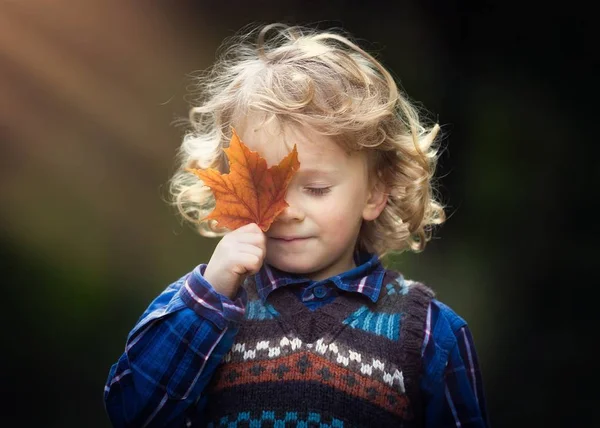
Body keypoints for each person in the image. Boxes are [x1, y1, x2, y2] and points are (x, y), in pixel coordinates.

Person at [104, 23, 489, 427]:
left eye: (318, 189)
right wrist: (209, 297)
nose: (287, 210)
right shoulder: (208, 306)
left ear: (375, 192)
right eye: (265, 187)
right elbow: (132, 412)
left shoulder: (426, 331)